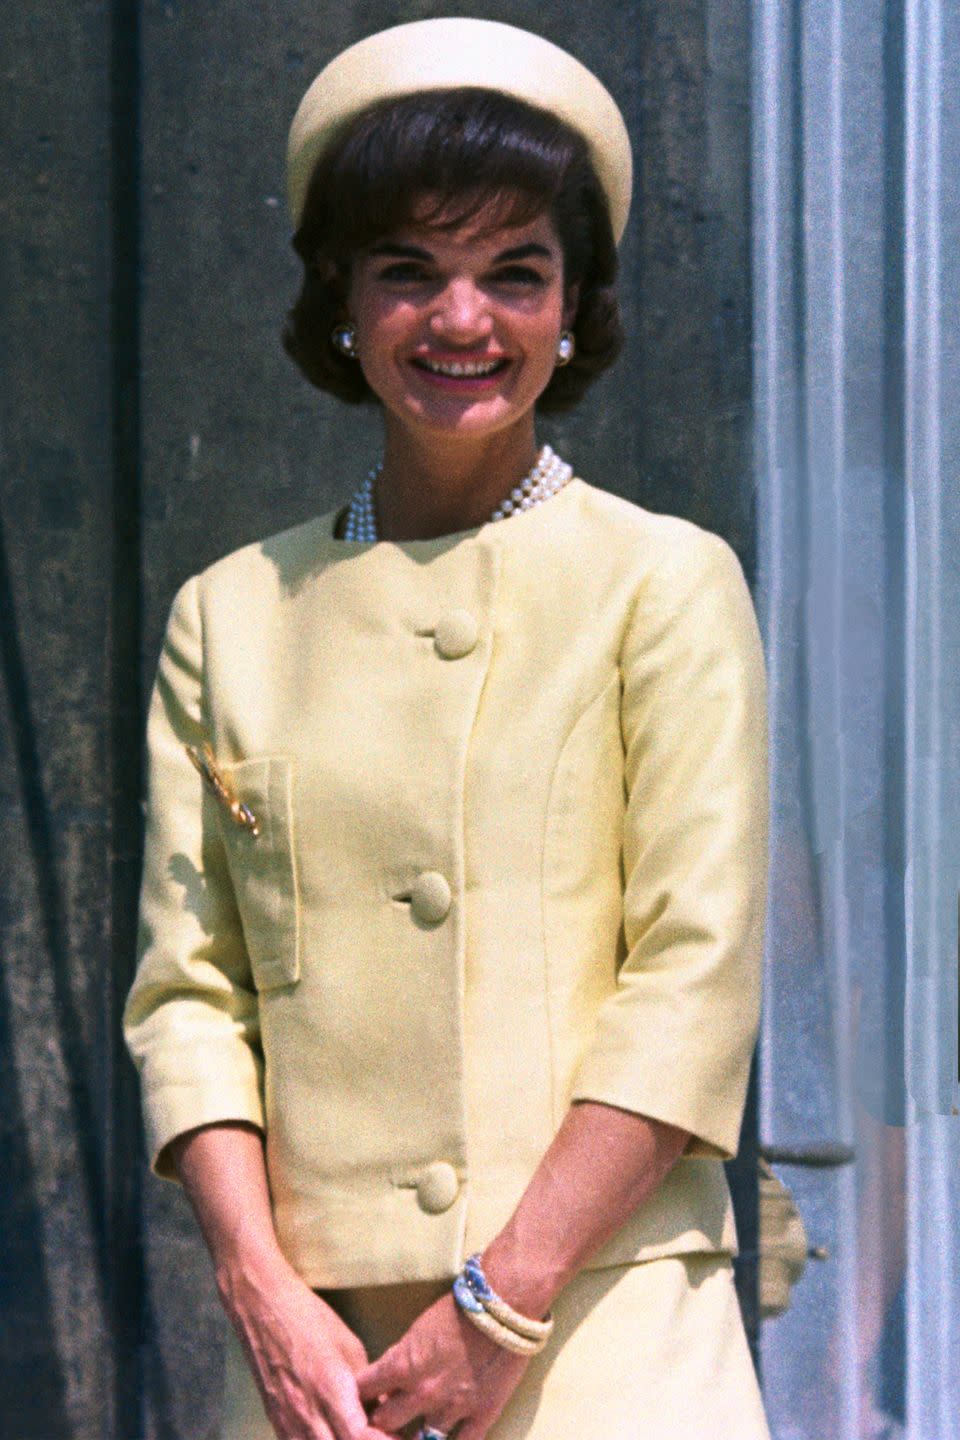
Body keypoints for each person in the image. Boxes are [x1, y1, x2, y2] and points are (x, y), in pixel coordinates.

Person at [124, 17, 772, 1440]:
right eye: (409, 271)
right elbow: (191, 996)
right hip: (317, 1365)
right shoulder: (231, 614)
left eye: (514, 273)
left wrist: (503, 1306)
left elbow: (691, 983)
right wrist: (257, 1290)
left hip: (598, 1333)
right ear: (341, 302)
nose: (462, 319)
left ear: (572, 307)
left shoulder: (660, 583)